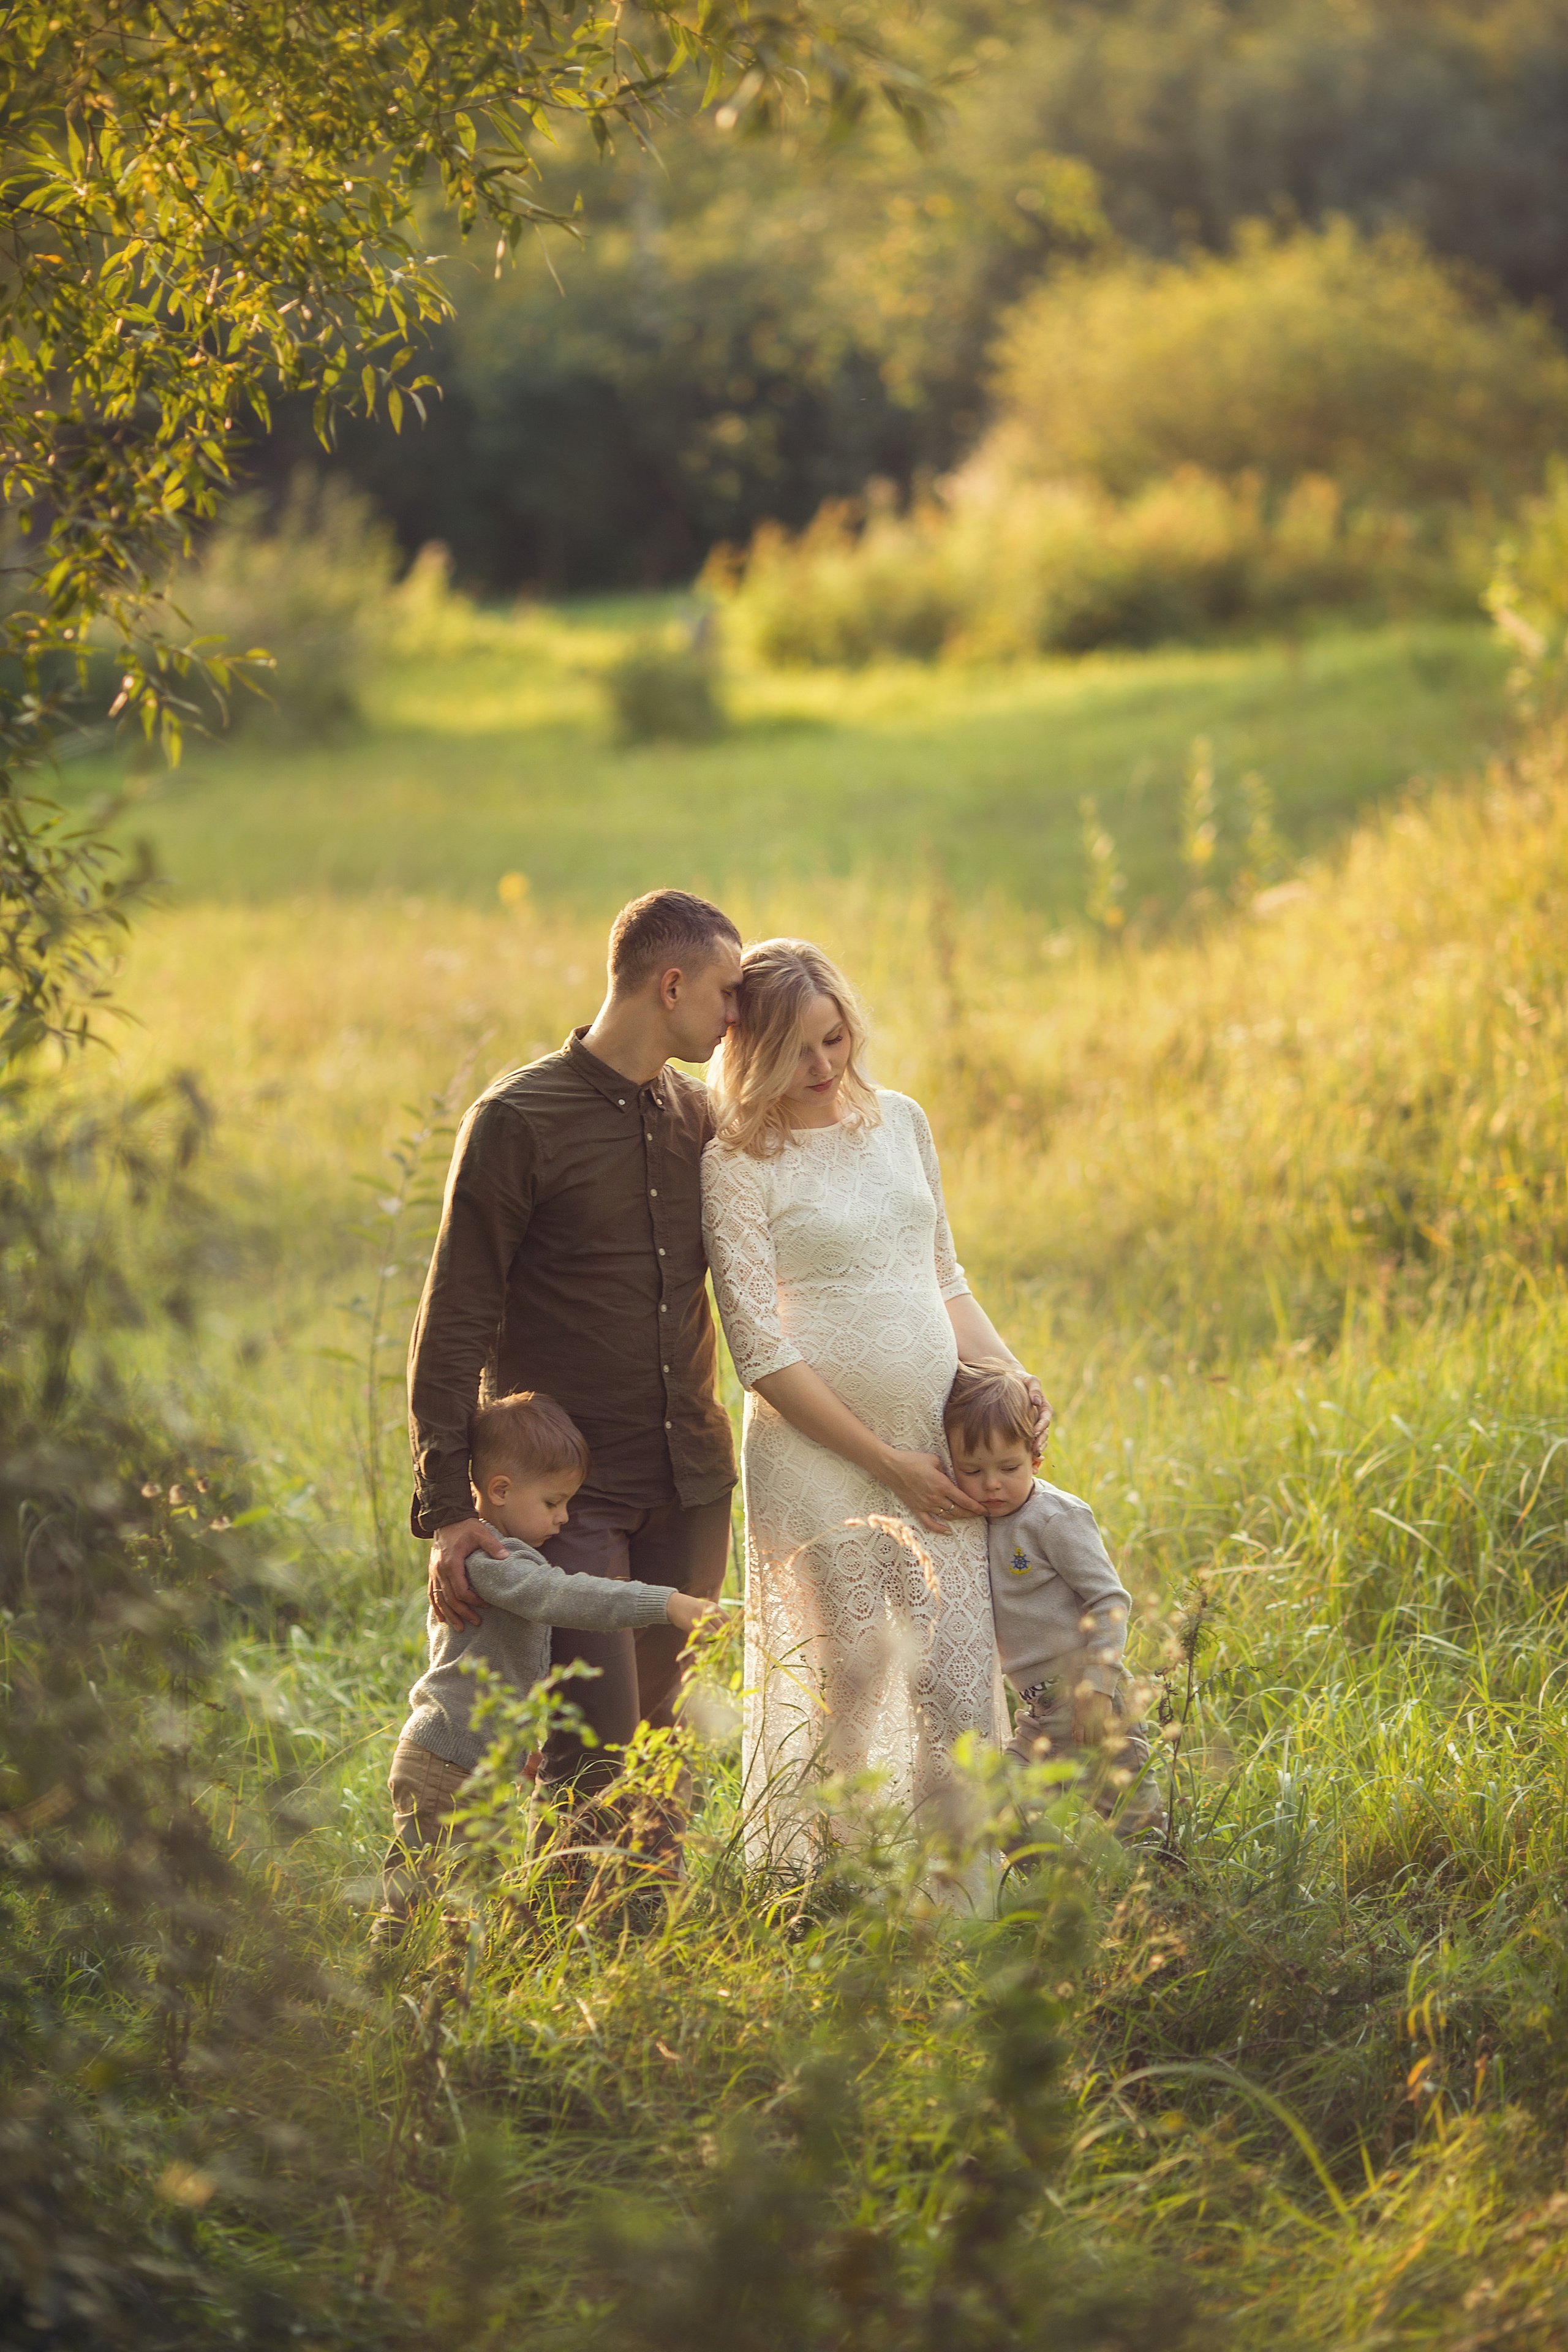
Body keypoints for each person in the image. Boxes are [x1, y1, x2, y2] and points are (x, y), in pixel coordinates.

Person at [699, 938, 1050, 1864]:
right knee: (847, 1685)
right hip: (819, 1462)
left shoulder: (902, 1122)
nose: (822, 1067)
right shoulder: (737, 1160)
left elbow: (945, 1276)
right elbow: (759, 1352)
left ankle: (958, 1891)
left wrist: (1010, 1375)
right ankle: (839, 1893)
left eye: (835, 1038)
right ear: (754, 1054)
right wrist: (885, 1462)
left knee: (958, 1673)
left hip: (941, 1447)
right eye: (796, 1052)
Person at [407, 888, 742, 1796]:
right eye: (725, 992)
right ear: (671, 986)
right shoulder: (517, 1121)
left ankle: (653, 1930)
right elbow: (452, 1322)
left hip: (692, 1482)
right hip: (572, 1498)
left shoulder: (700, 1118)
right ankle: (579, 1933)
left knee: (664, 1743)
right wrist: (447, 1507)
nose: (735, 1014)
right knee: (591, 1755)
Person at [376, 1391, 720, 1940]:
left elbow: (486, 1667)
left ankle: (449, 1982)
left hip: (470, 1763)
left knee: (463, 1898)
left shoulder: (504, 1561)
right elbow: (560, 1596)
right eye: (554, 1503)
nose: (564, 1519)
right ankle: (389, 1975)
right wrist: (666, 1603)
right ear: (501, 1491)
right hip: (442, 1766)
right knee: (415, 1899)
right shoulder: (493, 1565)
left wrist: (515, 1751)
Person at [943, 1359, 1164, 1836]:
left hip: (1093, 1699)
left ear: (1036, 1460)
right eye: (972, 1470)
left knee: (1137, 1826)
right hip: (1040, 1716)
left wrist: (1099, 1688)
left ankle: (1169, 1903)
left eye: (1009, 1467)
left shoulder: (1055, 1516)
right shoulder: (975, 1522)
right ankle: (1066, 1897)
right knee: (1002, 1806)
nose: (992, 1483)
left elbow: (1109, 1600)